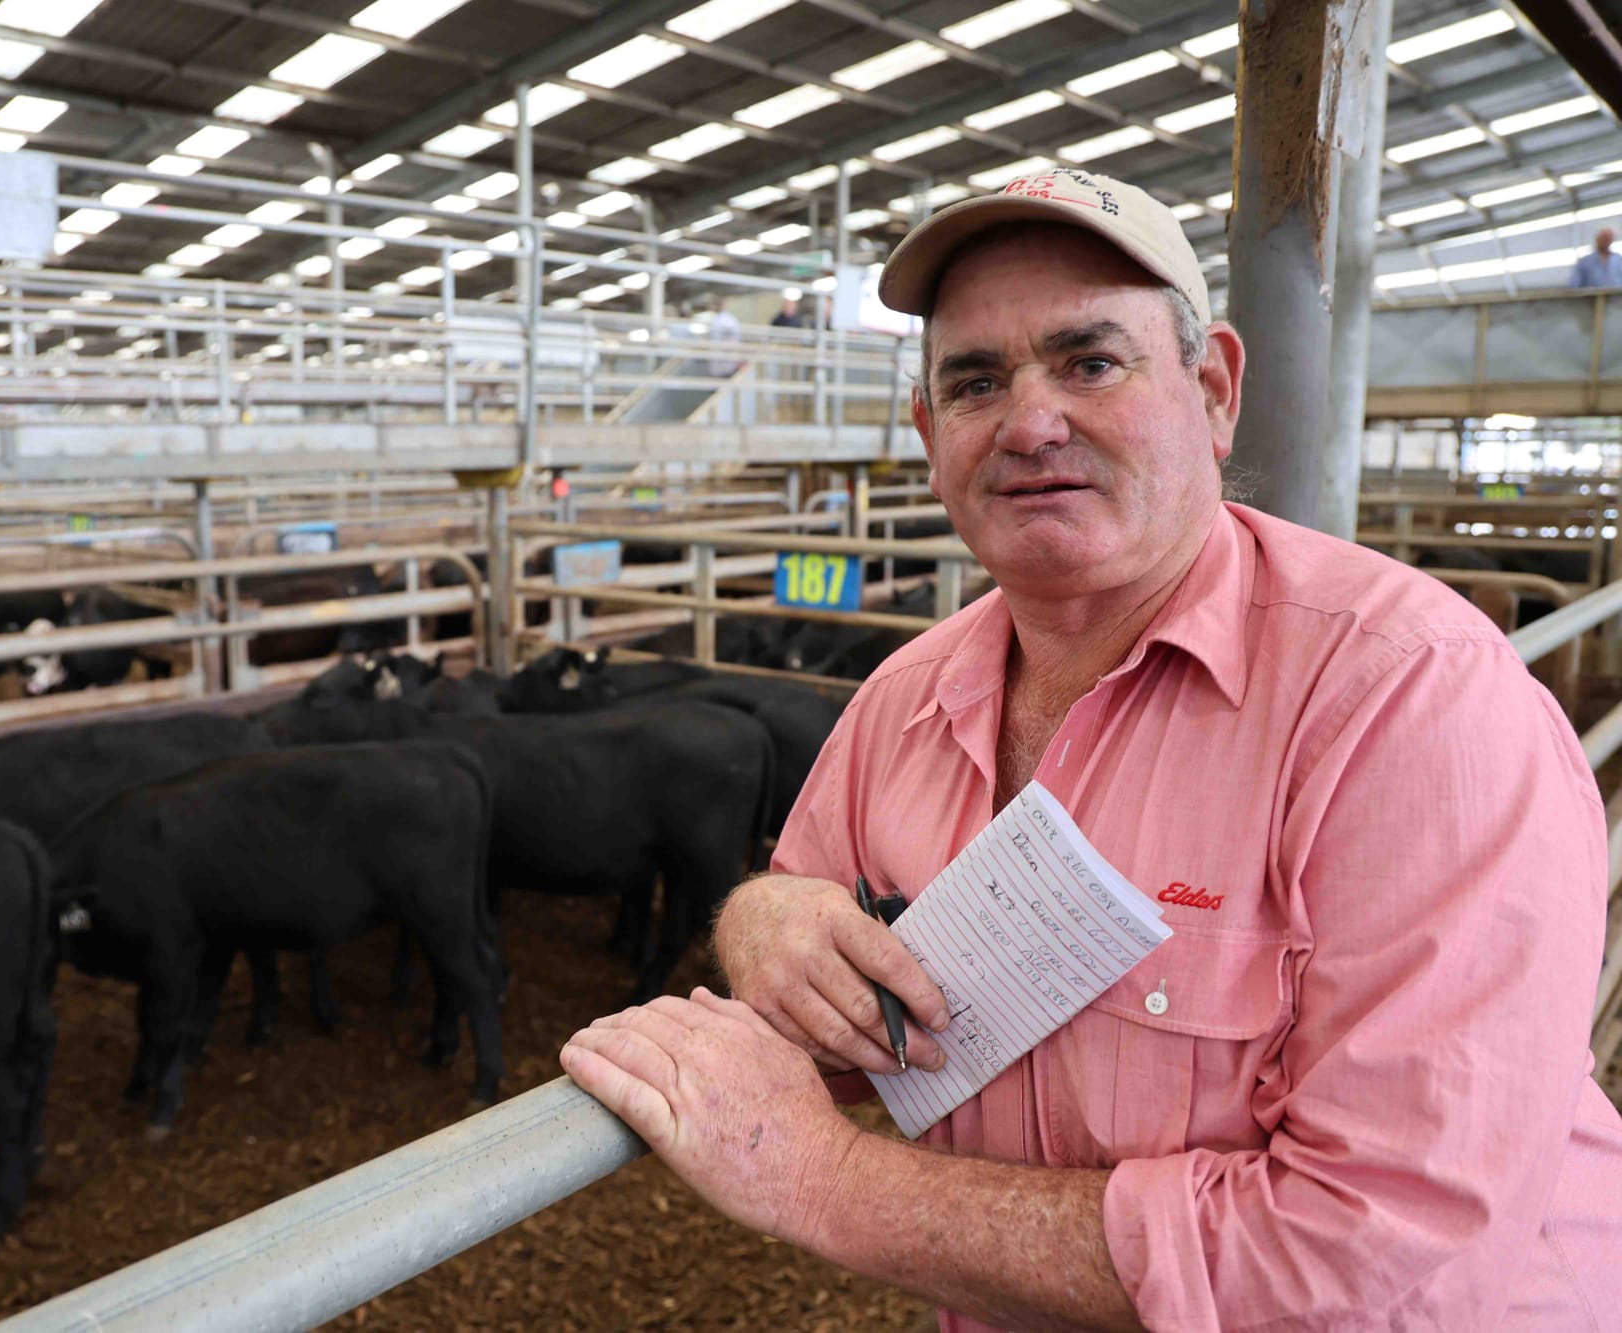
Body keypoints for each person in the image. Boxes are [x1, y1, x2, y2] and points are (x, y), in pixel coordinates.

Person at [561, 167, 1622, 1330]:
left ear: (1211, 389)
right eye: (974, 382)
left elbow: (1382, 1251)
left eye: (1089, 361)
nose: (1027, 423)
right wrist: (762, 918)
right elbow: (812, 945)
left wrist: (821, 1176)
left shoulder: (1406, 701)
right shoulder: (900, 701)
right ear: (929, 433)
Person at [707, 296, 743, 377]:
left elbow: (735, 342)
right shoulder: (717, 320)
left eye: (713, 304)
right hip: (719, 364)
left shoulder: (728, 321)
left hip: (727, 364)